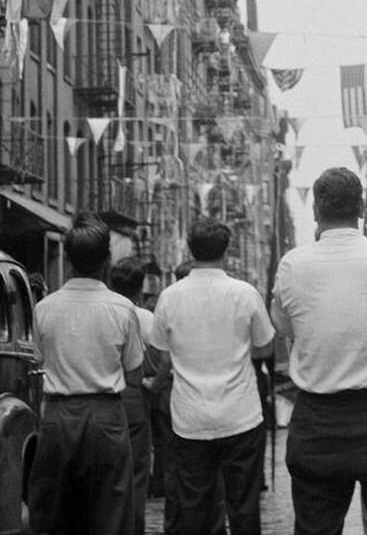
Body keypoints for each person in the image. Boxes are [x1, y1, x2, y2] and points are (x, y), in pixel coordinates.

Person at [271, 166, 367, 535]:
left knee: (316, 528)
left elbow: (284, 327)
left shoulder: (293, 264)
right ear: (362, 210)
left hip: (319, 423)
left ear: (315, 212)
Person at [150, 217, 273, 535]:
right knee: (244, 505)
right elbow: (263, 348)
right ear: (226, 249)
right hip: (240, 414)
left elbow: (164, 355)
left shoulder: (169, 297)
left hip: (190, 418)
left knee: (194, 505)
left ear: (191, 251)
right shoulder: (245, 293)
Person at [29, 213, 147, 535]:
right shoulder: (122, 308)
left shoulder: (44, 308)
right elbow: (134, 375)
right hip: (105, 416)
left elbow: (40, 358)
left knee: (54, 511)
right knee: (112, 510)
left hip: (57, 416)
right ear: (107, 259)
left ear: (68, 259)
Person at [111, 255, 157, 535]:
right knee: (137, 474)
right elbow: (152, 360)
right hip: (133, 395)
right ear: (140, 288)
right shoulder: (146, 317)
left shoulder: (105, 310)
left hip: (102, 396)